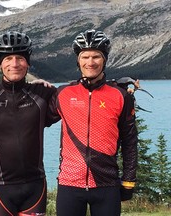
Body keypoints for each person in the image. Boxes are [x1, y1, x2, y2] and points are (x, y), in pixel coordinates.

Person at [0, 31, 57, 216]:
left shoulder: (42, 94)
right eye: (8, 58)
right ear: (0, 63)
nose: (14, 64)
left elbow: (77, 94)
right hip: (1, 189)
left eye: (20, 58)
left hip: (35, 188)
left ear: (28, 62)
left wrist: (122, 86)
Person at [47, 29, 138, 216]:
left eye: (96, 56)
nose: (90, 62)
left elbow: (130, 142)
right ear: (78, 61)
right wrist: (38, 84)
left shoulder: (120, 96)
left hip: (106, 184)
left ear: (104, 59)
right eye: (85, 56)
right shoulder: (63, 94)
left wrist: (128, 180)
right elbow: (36, 117)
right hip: (69, 183)